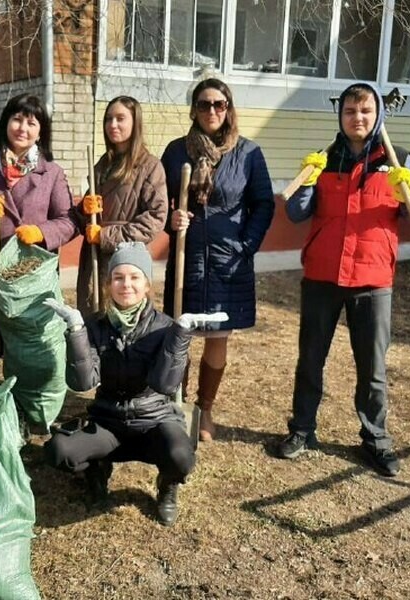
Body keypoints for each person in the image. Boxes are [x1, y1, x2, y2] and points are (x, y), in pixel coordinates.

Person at [277, 82, 410, 477]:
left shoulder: (399, 161)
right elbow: (296, 211)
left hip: (372, 278)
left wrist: (408, 191)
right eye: (350, 111)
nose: (357, 118)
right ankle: (302, 430)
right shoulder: (324, 159)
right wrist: (307, 181)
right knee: (310, 359)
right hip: (323, 275)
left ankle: (375, 440)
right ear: (340, 116)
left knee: (373, 368)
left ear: (377, 114)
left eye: (364, 111)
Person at [43, 242, 226, 526]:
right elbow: (82, 383)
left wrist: (180, 337)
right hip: (108, 422)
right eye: (118, 277)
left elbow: (165, 384)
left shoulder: (165, 327)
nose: (125, 284)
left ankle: (167, 485)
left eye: (134, 277)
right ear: (108, 284)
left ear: (146, 284)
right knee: (59, 451)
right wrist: (77, 331)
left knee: (181, 457)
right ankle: (97, 469)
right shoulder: (94, 325)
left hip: (153, 422)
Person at [162, 78, 275, 442]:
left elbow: (263, 204)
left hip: (229, 260)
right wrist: (171, 219)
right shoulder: (177, 151)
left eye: (219, 104)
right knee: (181, 332)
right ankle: (175, 404)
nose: (212, 111)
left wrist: (246, 246)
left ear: (229, 108)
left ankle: (205, 407)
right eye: (204, 104)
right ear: (194, 109)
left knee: (218, 335)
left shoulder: (248, 153)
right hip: (187, 256)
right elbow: (160, 202)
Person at [0, 93, 77, 376]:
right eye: (17, 119)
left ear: (40, 132)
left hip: (27, 281)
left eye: (31, 123)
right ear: (5, 122)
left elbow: (68, 221)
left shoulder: (52, 173)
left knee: (22, 358)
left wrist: (42, 233)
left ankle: (19, 415)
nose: (23, 128)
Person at [76, 96, 167, 313]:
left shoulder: (149, 166)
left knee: (123, 319)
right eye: (108, 119)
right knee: (93, 321)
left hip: (127, 258)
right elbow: (84, 220)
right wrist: (83, 210)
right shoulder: (102, 164)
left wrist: (106, 236)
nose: (112, 125)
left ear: (135, 123)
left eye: (120, 118)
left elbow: (156, 217)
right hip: (93, 258)